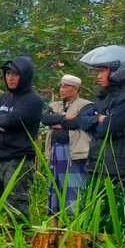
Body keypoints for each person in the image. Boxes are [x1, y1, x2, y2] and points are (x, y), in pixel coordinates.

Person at [68, 45, 125, 228]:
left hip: (120, 172)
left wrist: (98, 120)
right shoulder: (106, 98)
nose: (98, 75)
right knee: (90, 221)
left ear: (118, 69)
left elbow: (107, 129)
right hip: (98, 167)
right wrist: (99, 119)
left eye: (102, 70)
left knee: (115, 223)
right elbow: (82, 120)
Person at [0, 57, 44, 219]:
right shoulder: (4, 97)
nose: (10, 78)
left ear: (25, 76)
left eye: (15, 74)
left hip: (18, 160)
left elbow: (11, 120)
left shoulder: (33, 100)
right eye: (8, 73)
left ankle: (19, 240)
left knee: (16, 205)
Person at [40, 74, 93, 217]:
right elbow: (45, 119)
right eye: (61, 86)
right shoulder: (54, 105)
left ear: (75, 89)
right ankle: (54, 221)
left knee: (74, 187)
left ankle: (75, 221)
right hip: (55, 151)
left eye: (66, 86)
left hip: (74, 152)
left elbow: (79, 122)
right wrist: (64, 118)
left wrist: (58, 122)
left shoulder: (86, 105)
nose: (62, 89)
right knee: (55, 186)